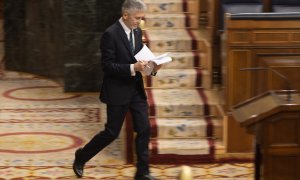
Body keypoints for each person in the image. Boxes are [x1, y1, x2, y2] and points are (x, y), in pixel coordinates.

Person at [72, 0, 160, 179]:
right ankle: (81, 157)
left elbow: (139, 56)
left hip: (135, 89)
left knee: (144, 129)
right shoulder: (110, 34)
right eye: (137, 18)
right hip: (117, 90)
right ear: (126, 15)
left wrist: (153, 68)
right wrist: (132, 68)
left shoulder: (136, 31)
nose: (139, 22)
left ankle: (143, 173)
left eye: (142, 18)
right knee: (111, 133)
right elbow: (107, 66)